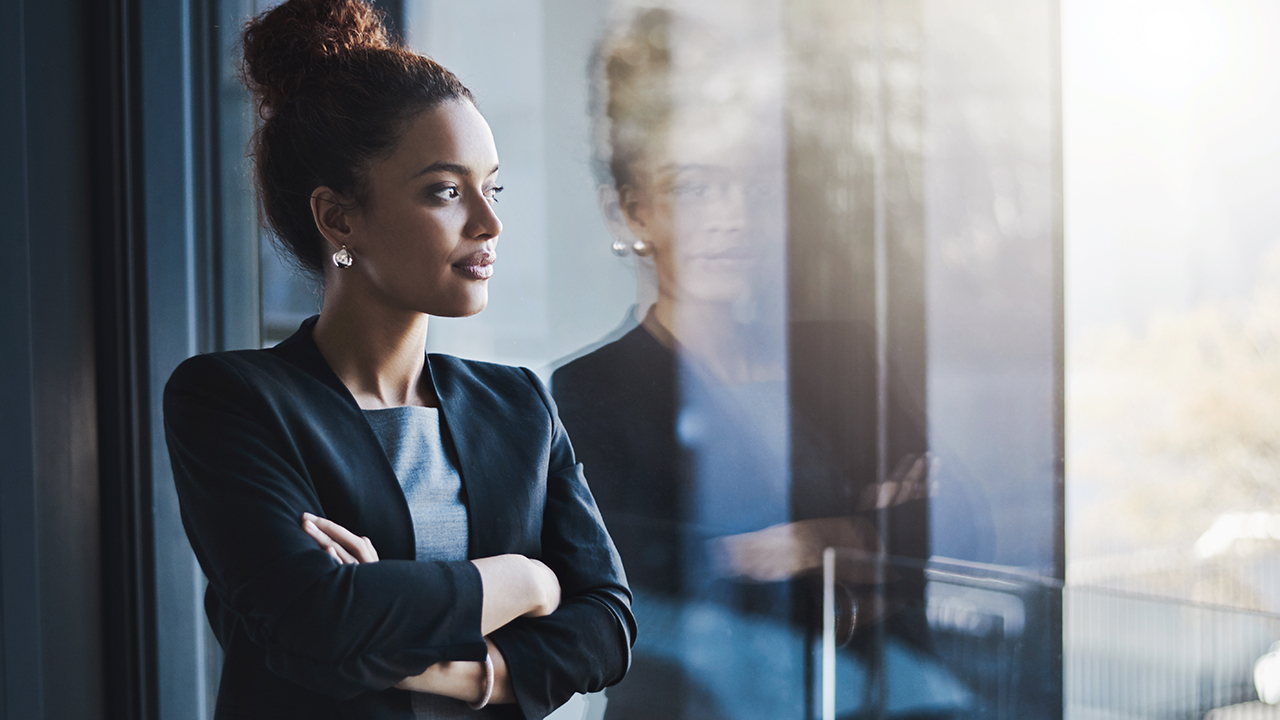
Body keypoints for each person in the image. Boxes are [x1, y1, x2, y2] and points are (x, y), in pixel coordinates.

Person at [162, 1, 634, 718]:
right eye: (446, 190)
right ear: (339, 218)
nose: (490, 221)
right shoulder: (232, 400)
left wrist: (439, 658)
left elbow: (607, 625)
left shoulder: (519, 406)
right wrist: (527, 579)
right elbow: (316, 620)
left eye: (492, 185)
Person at [551, 8, 951, 719]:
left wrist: (822, 541)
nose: (733, 216)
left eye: (751, 187)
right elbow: (653, 591)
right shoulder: (591, 391)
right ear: (631, 212)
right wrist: (868, 539)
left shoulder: (841, 353)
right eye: (694, 188)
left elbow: (960, 516)